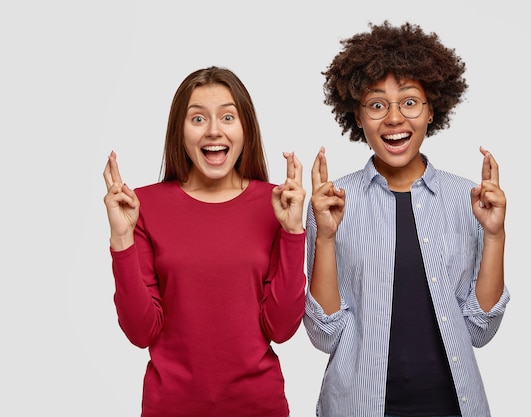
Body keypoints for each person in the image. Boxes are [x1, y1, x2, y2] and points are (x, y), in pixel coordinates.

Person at [303, 21, 510, 417]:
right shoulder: (332, 204)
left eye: (410, 102)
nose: (395, 118)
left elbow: (480, 329)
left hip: (453, 405)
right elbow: (325, 334)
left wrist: (495, 235)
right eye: (377, 105)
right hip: (357, 405)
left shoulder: (466, 199)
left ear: (432, 109)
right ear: (358, 118)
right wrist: (326, 237)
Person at [102, 66, 306, 417]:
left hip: (259, 406)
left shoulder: (277, 202)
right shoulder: (144, 206)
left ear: (246, 129)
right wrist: (122, 239)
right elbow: (140, 332)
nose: (214, 130)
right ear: (179, 132)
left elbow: (282, 327)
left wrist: (292, 232)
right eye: (198, 119)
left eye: (228, 116)